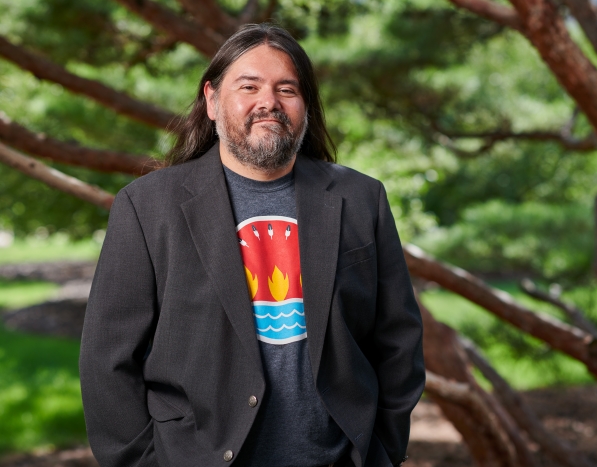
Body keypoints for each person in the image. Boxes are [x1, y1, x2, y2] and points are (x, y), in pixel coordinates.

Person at [79, 24, 425, 467]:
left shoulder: (361, 199)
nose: (270, 102)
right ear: (212, 100)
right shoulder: (147, 207)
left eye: (287, 89)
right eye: (249, 86)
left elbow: (398, 339)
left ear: (306, 107)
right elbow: (107, 361)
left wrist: (382, 451)